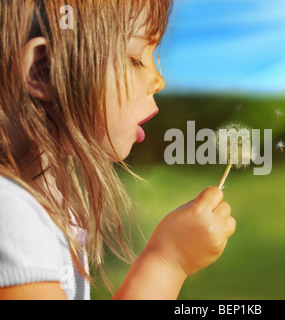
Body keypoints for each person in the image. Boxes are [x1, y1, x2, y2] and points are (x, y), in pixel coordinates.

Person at [0, 0, 236, 300]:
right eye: (137, 58)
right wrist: (167, 262)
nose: (159, 81)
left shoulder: (37, 202)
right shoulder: (11, 217)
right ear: (44, 70)